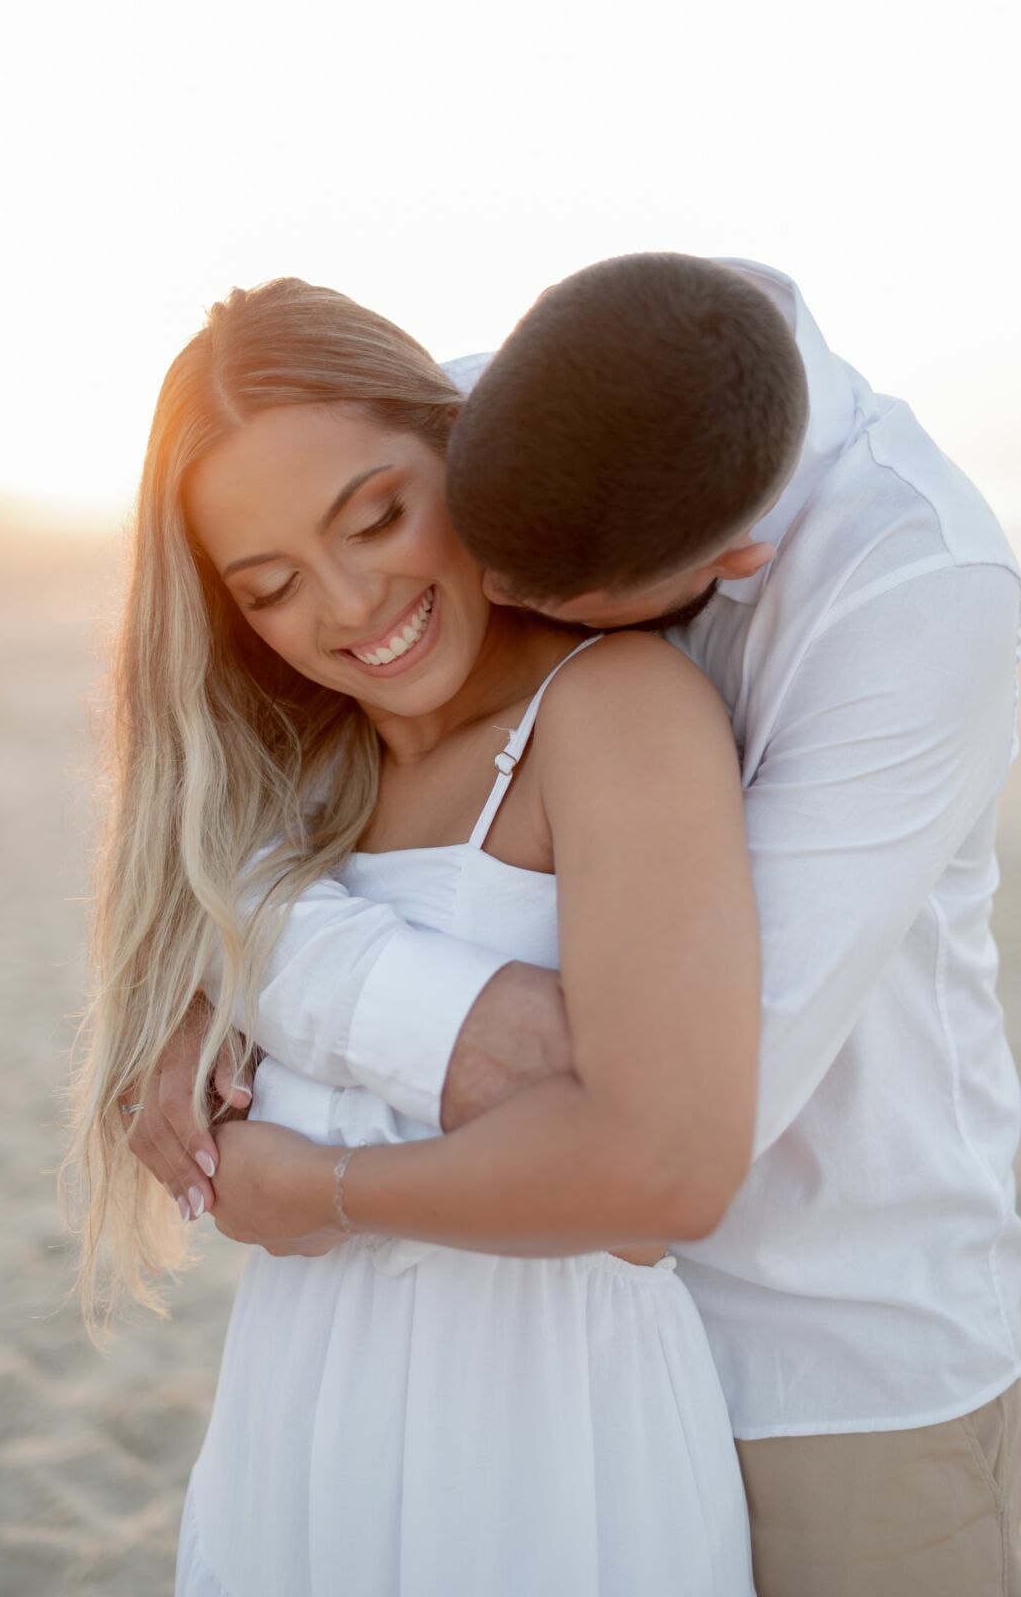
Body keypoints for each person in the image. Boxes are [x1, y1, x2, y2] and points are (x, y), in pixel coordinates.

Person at [131, 253, 1021, 1595]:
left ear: (731, 565)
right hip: (400, 1367)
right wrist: (202, 977)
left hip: (830, 1362)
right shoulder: (503, 419)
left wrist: (271, 967)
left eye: (561, 602)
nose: (494, 602)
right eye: (275, 586)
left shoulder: (914, 597)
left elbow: (661, 1135)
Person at [63, 277, 763, 1594]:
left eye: (376, 517)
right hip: (299, 1410)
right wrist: (196, 990)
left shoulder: (612, 709)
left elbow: (666, 1172)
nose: (345, 606)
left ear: (456, 446)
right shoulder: (293, 781)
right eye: (270, 587)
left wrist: (321, 1192)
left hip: (547, 1433)